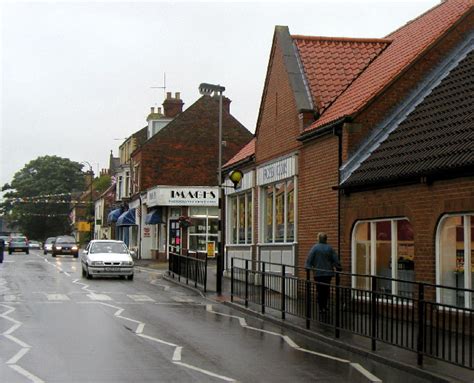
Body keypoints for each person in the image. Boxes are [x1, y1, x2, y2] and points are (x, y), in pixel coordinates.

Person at [305, 232, 341, 315]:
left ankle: (321, 307)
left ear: (318, 239)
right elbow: (335, 259)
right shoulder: (329, 248)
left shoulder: (315, 248)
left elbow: (309, 258)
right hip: (328, 273)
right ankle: (325, 306)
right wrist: (338, 267)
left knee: (320, 290)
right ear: (326, 239)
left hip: (318, 273)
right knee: (326, 290)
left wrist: (308, 267)